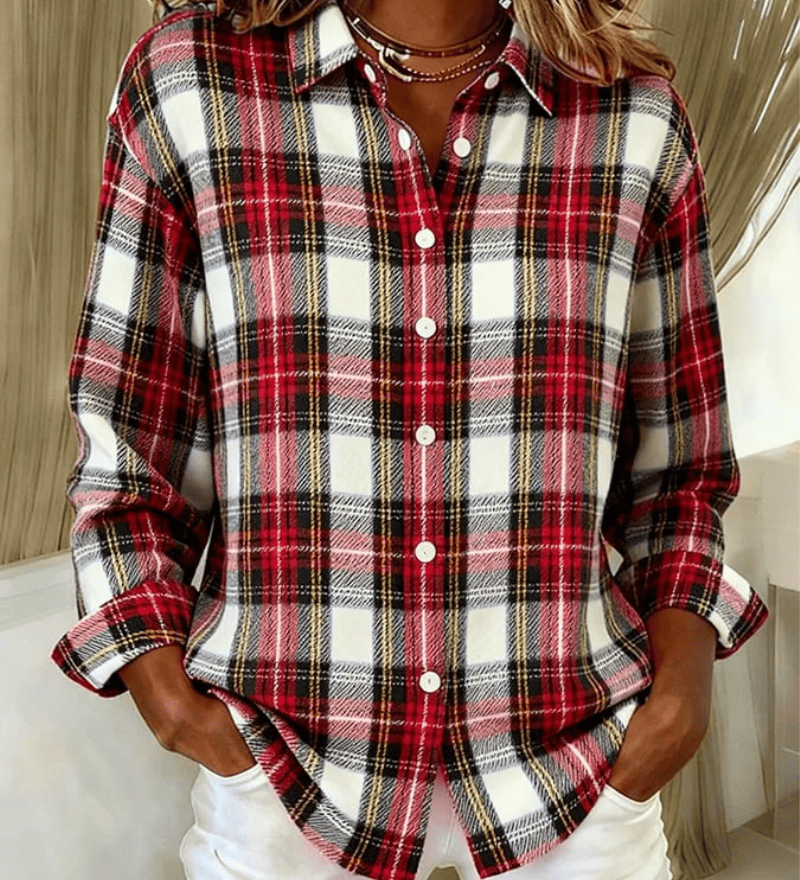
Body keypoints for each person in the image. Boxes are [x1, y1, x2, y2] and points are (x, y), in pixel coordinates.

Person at [51, 0, 768, 878]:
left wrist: (681, 702)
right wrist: (170, 700)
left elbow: (681, 472)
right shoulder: (192, 84)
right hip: (285, 776)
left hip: (579, 778)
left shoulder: (632, 115)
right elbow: (126, 440)